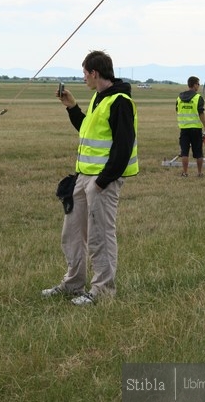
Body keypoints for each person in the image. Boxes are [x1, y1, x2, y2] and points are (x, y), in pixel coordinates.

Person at [42, 50, 138, 306]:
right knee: (72, 233)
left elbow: (123, 146)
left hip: (101, 182)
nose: (83, 78)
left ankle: (102, 290)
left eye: (85, 73)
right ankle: (73, 283)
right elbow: (87, 130)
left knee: (100, 236)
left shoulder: (120, 102)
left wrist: (102, 181)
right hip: (83, 178)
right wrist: (72, 107)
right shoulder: (99, 98)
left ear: (95, 73)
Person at [176, 76, 205, 178]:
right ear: (194, 85)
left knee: (184, 152)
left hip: (184, 128)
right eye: (198, 84)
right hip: (196, 129)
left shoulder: (179, 98)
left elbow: (178, 110)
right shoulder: (198, 98)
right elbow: (201, 113)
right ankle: (199, 173)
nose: (199, 86)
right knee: (198, 152)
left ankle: (185, 173)